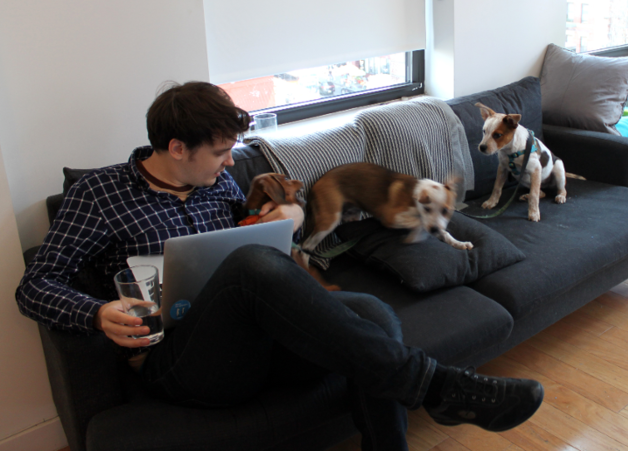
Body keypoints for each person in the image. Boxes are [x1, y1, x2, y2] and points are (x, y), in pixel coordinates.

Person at [16, 81, 544, 451]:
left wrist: (288, 213)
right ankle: (439, 388)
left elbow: (253, 231)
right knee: (249, 266)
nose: (231, 163)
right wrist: (96, 312)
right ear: (176, 147)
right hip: (180, 361)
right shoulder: (99, 194)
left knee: (375, 315)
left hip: (257, 341)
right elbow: (35, 283)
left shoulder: (216, 183)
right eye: (222, 152)